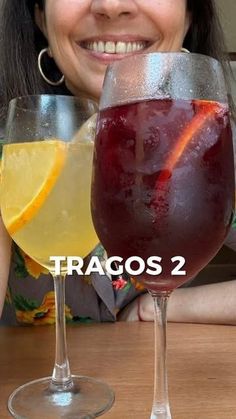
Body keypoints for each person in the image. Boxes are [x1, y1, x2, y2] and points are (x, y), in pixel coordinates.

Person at [0, 0, 235, 325]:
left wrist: (160, 308)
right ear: (41, 17)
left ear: (189, 15)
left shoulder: (211, 137)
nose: (112, 5)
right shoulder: (15, 154)